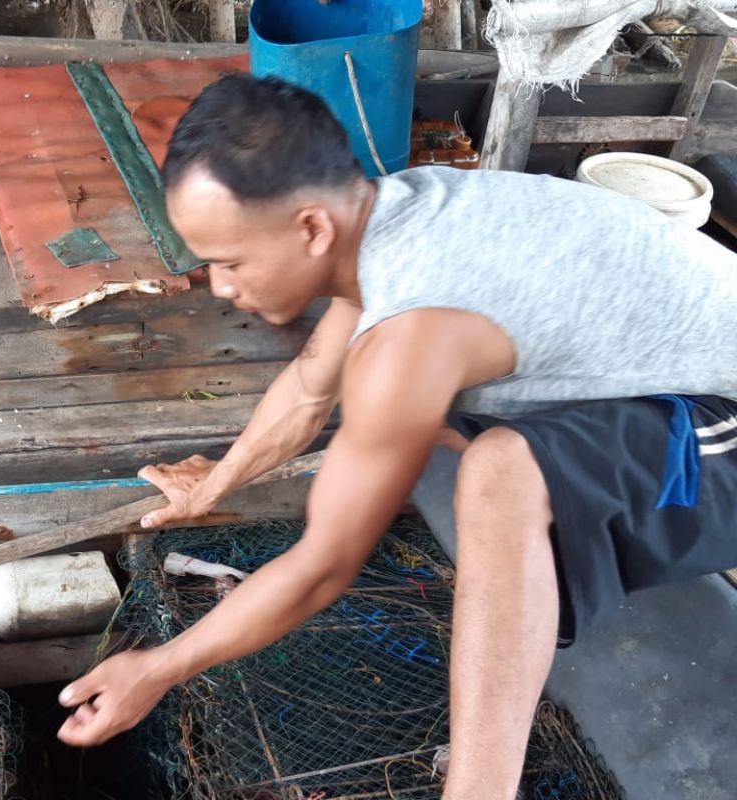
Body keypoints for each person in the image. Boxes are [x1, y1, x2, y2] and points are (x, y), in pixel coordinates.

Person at [53, 73, 737, 798]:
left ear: (311, 228)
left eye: (229, 261)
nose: (220, 287)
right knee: (430, 424)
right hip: (669, 376)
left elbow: (322, 568)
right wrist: (214, 485)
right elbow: (315, 384)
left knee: (501, 471)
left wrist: (159, 668)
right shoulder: (391, 213)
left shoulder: (411, 329)